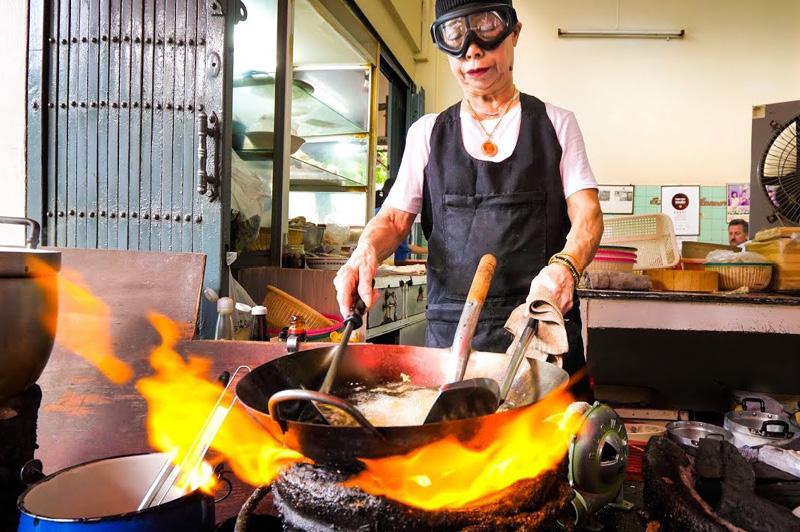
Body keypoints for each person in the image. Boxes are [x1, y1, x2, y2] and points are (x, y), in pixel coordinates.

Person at [334, 0, 603, 392]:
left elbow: (589, 216)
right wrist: (365, 250)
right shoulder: (427, 132)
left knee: (557, 449)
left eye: (486, 28)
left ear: (514, 33)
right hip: (452, 343)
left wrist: (567, 266)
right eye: (455, 35)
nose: (472, 50)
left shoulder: (556, 124)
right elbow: (393, 220)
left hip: (540, 333)